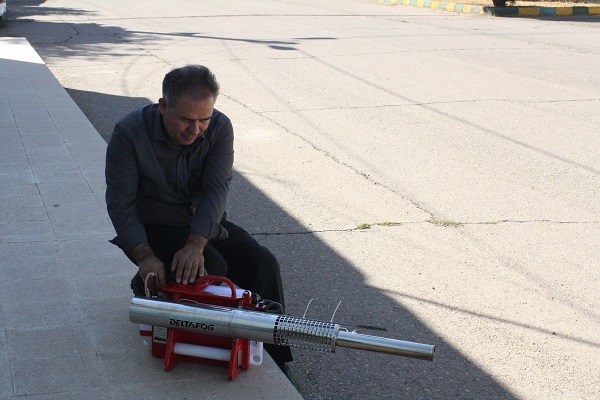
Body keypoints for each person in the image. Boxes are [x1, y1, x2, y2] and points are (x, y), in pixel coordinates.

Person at [105, 64, 294, 374]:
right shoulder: (129, 133)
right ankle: (147, 282)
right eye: (186, 120)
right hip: (153, 227)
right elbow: (120, 203)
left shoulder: (220, 127)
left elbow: (216, 191)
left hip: (200, 223)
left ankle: (276, 356)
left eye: (203, 119)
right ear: (163, 106)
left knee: (262, 263)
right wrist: (144, 256)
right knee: (209, 269)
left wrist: (196, 243)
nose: (195, 130)